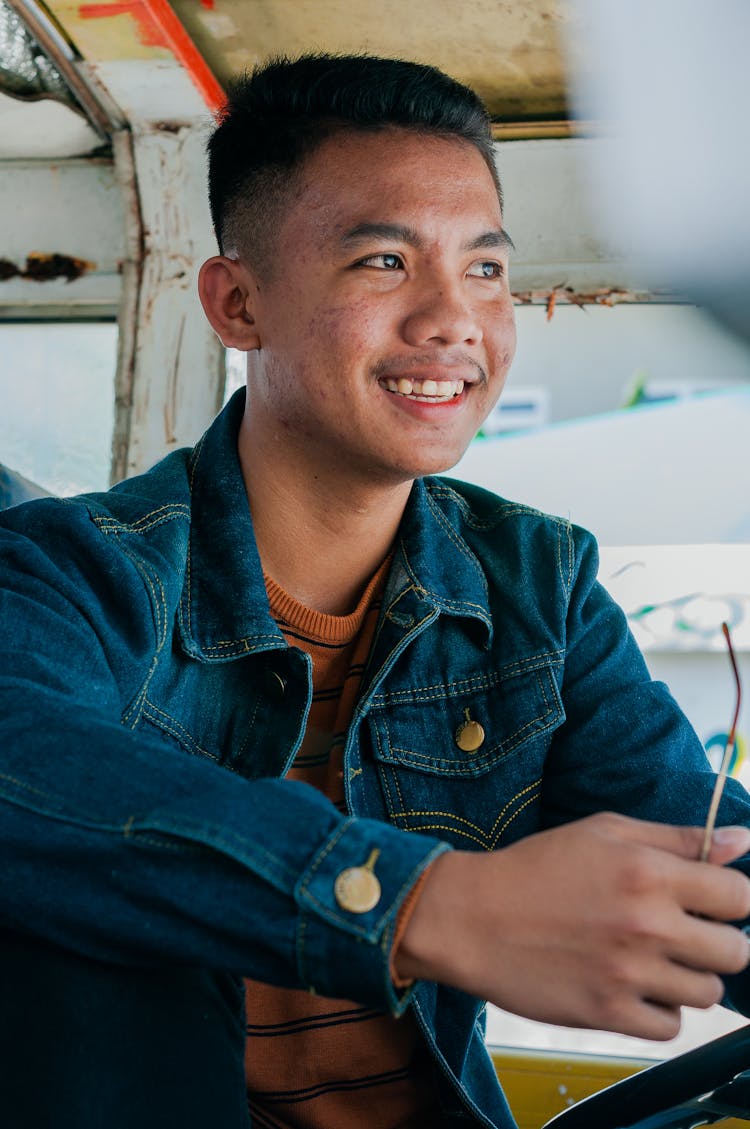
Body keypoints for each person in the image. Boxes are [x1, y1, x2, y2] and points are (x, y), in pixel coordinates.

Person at [0, 53, 749, 1129]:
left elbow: (707, 854)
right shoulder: (71, 573)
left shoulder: (542, 586)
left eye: (487, 270)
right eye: (385, 262)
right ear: (238, 301)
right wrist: (425, 903)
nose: (454, 321)